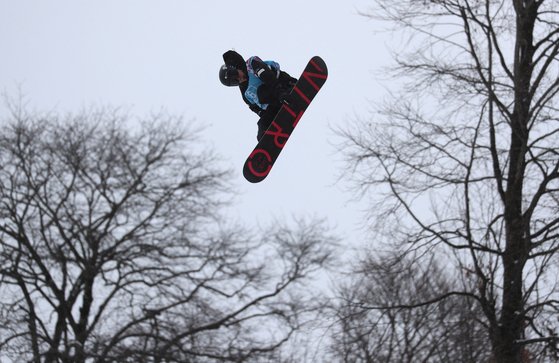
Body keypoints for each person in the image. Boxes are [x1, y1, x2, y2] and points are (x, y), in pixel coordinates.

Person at [219, 50, 297, 140]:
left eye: (235, 74)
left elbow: (268, 77)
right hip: (276, 104)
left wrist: (282, 93)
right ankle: (266, 141)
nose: (238, 78)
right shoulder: (245, 94)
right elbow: (256, 109)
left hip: (283, 86)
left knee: (262, 93)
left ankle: (291, 89)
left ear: (235, 68)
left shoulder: (251, 65)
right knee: (262, 123)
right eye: (234, 81)